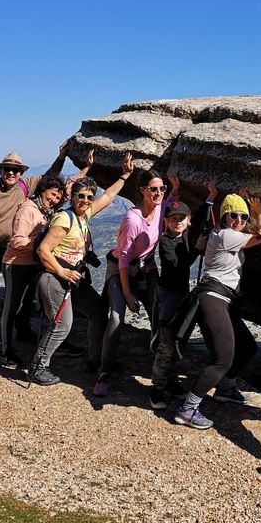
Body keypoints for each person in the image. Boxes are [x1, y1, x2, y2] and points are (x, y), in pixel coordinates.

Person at [0, 142, 86, 348]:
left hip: (16, 250)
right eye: (7, 169)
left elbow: (50, 178)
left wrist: (62, 157)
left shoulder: (25, 186)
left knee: (24, 294)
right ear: (1, 170)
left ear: (21, 173)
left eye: (15, 170)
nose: (11, 173)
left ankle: (22, 331)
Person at [29, 153, 135, 387]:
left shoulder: (83, 215)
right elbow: (44, 251)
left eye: (89, 196)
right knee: (62, 325)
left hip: (74, 278)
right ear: (73, 197)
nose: (86, 200)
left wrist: (124, 176)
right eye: (81, 196)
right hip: (55, 278)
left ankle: (93, 359)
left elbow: (107, 196)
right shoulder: (64, 219)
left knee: (97, 311)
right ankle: (38, 367)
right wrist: (62, 272)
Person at [173, 189, 261, 430]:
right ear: (224, 217)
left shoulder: (225, 233)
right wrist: (258, 211)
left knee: (247, 347)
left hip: (222, 299)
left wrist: (245, 206)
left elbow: (248, 231)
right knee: (221, 360)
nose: (238, 221)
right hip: (213, 297)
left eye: (243, 217)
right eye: (233, 215)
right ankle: (188, 409)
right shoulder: (225, 235)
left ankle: (225, 389)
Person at [91, 168, 174, 397]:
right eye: (153, 189)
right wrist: (128, 294)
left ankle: (162, 371)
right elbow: (124, 259)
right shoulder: (132, 219)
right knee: (116, 318)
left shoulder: (161, 208)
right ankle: (104, 372)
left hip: (146, 268)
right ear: (142, 190)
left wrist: (178, 187)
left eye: (161, 189)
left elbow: (175, 205)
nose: (158, 193)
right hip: (121, 269)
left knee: (159, 315)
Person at [148, 180, 214, 410]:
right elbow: (179, 266)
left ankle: (171, 381)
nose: (178, 222)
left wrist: (209, 200)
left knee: (179, 340)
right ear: (166, 222)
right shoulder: (166, 242)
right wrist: (197, 249)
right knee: (166, 339)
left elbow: (196, 225)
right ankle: (157, 387)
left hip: (180, 294)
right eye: (173, 218)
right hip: (168, 295)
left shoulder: (185, 234)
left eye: (181, 219)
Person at [0, 172, 67, 369]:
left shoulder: (44, 210)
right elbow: (17, 240)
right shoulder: (28, 210)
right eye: (52, 194)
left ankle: (23, 334)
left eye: (57, 198)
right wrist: (41, 244)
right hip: (16, 264)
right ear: (43, 190)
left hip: (32, 264)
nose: (53, 200)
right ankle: (6, 351)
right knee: (11, 307)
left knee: (27, 303)